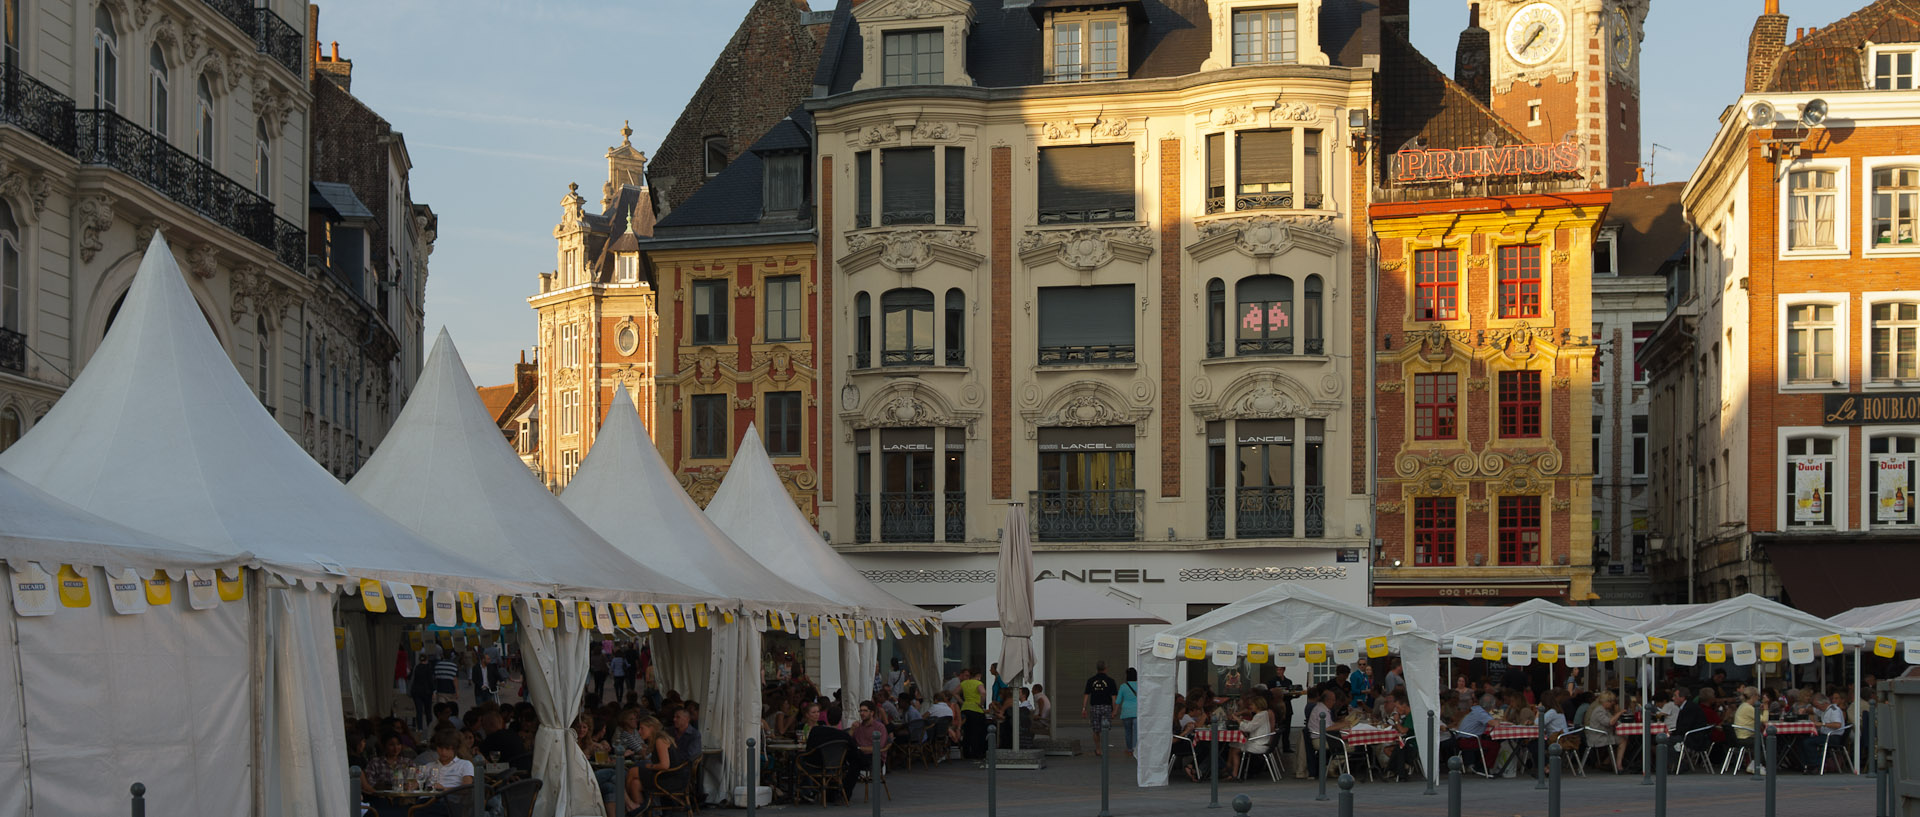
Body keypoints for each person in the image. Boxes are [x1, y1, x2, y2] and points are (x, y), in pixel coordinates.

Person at [624, 715, 683, 815]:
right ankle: (641, 812)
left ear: (651, 728)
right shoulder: (658, 739)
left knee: (633, 771)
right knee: (635, 784)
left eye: (642, 728)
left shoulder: (660, 740)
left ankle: (628, 807)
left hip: (670, 778)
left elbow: (664, 765)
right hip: (666, 775)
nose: (639, 731)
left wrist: (648, 766)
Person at [1798, 694, 1847, 772]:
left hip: (1833, 736)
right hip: (1826, 735)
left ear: (1823, 703)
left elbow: (1838, 724)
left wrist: (1822, 724)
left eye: (1817, 706)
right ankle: (1805, 764)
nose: (1817, 708)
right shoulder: (1824, 710)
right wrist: (1805, 710)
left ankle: (1817, 765)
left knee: (1808, 742)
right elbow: (1813, 710)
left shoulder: (1834, 710)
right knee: (1802, 740)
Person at [1082, 660, 1119, 757]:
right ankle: (1104, 748)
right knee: (1105, 729)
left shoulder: (1091, 680)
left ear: (1097, 669)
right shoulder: (1111, 681)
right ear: (1106, 669)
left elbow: (1086, 695)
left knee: (1096, 730)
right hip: (1106, 707)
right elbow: (1114, 697)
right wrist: (1114, 710)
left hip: (1094, 707)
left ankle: (1098, 749)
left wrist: (1084, 708)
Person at [1586, 691, 1623, 772]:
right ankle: (1618, 765)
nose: (1613, 703)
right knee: (1623, 740)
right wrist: (1619, 713)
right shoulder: (1599, 711)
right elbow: (1609, 722)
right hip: (1598, 737)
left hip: (1603, 735)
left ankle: (1607, 762)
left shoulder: (1605, 710)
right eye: (1611, 701)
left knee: (1622, 738)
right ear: (1605, 701)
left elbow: (1615, 721)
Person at [958, 668, 988, 759]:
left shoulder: (964, 683)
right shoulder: (978, 683)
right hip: (976, 709)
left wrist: (962, 702)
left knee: (967, 731)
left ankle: (966, 753)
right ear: (978, 675)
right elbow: (983, 693)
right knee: (978, 732)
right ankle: (977, 752)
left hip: (965, 708)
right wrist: (981, 704)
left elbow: (954, 693)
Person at [1116, 668, 1140, 757]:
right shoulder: (1140, 685)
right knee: (1136, 732)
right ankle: (1135, 749)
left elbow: (1118, 701)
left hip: (1126, 712)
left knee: (1128, 732)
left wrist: (1114, 711)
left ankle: (1129, 750)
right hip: (1137, 712)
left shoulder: (1123, 686)